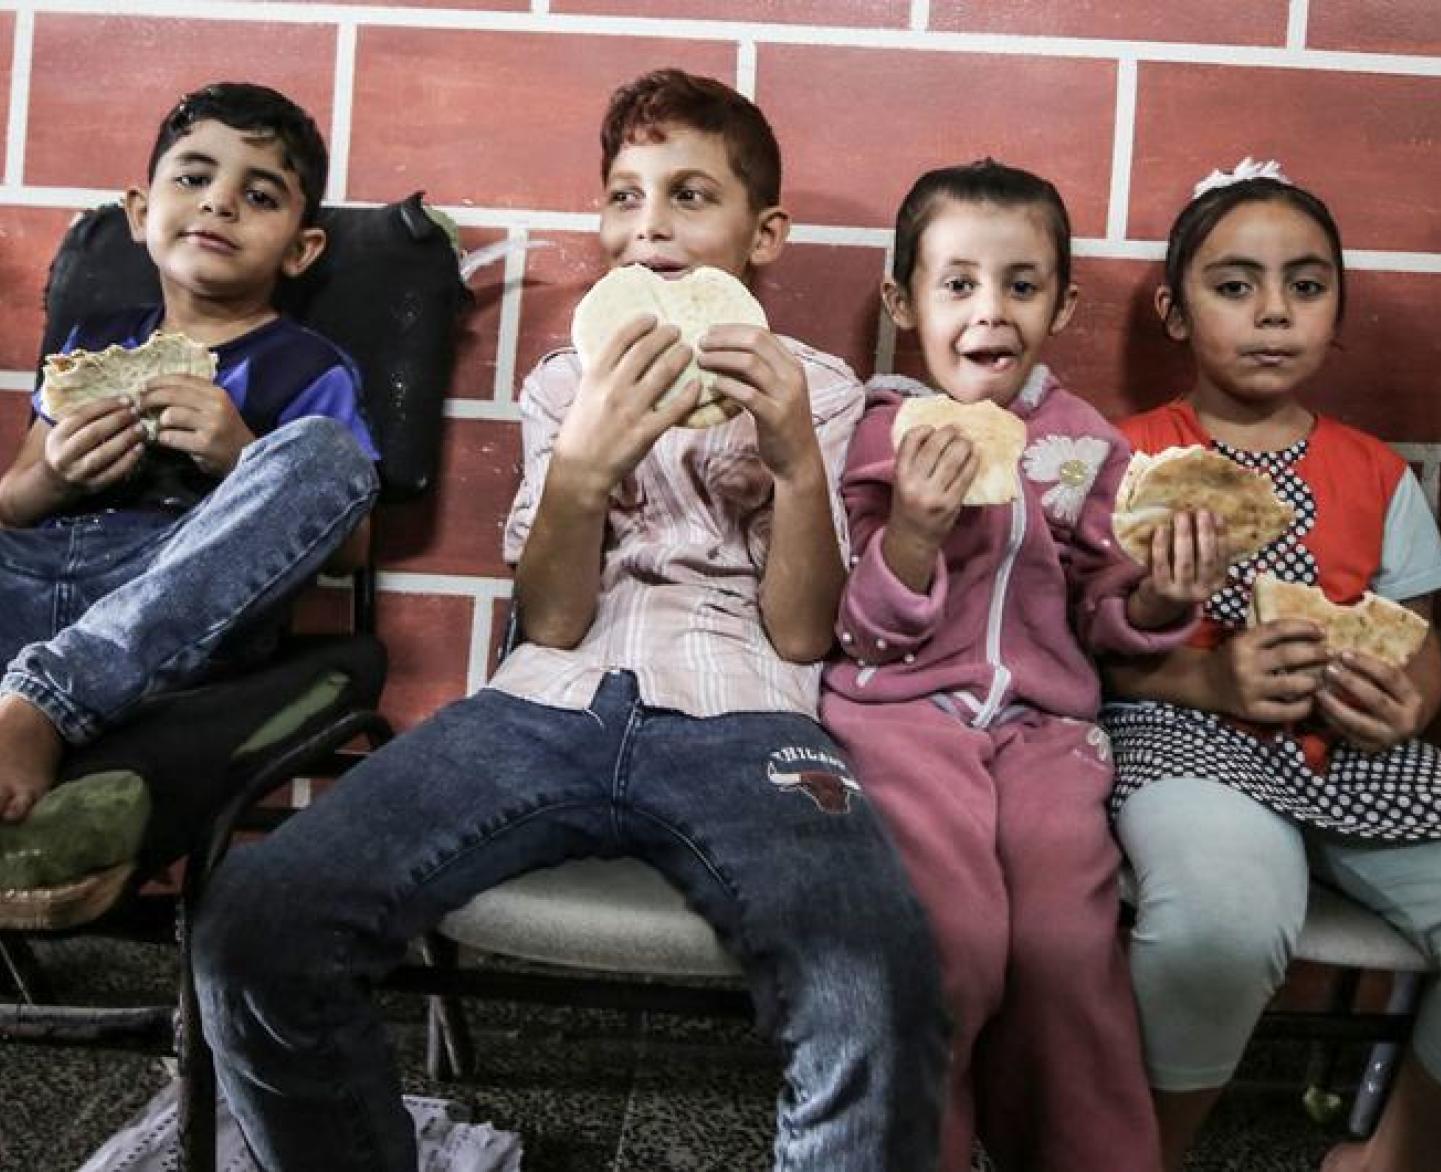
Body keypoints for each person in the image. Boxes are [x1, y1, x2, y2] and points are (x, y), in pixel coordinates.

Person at [193, 68, 947, 1172]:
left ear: (763, 233)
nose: (650, 226)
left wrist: (791, 458)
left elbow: (800, 635)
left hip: (746, 716)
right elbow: (548, 619)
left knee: (873, 975)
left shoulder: (821, 389)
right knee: (256, 924)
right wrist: (585, 464)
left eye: (690, 197)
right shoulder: (561, 383)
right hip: (541, 704)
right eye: (625, 197)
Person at [820, 159, 1224, 1172]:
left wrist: (1164, 596)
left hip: (1046, 733)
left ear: (1061, 301)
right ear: (901, 300)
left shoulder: (1083, 447)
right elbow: (857, 632)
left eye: (1020, 283)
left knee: (1062, 942)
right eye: (955, 283)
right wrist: (911, 531)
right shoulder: (876, 434)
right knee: (946, 938)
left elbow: (1107, 615)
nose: (988, 311)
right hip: (897, 721)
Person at [1102, 159, 1441, 1172]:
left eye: (1303, 286)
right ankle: (1145, 1151)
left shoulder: (1376, 471)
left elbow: (1416, 635)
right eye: (1233, 285)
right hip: (1184, 738)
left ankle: (1391, 1152)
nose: (1271, 313)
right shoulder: (1126, 457)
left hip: (1350, 751)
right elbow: (1082, 649)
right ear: (1174, 311)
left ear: (1335, 310)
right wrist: (1203, 676)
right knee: (1220, 918)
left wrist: (1405, 701)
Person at [0, 81, 379, 826]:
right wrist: (54, 473)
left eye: (261, 195)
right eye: (193, 177)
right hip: (36, 578)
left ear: (302, 249)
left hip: (173, 600)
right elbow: (12, 502)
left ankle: (44, 703)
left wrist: (242, 454)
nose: (218, 203)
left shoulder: (306, 366)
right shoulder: (89, 341)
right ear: (141, 213)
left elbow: (351, 547)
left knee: (324, 453)